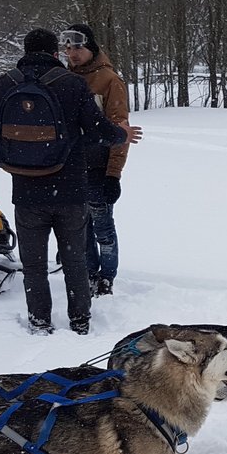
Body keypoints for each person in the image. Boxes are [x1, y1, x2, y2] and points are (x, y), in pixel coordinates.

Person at [0, 28, 141, 335]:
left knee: (35, 264)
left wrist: (11, 165)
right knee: (75, 260)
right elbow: (97, 129)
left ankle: (40, 321)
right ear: (56, 52)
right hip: (70, 188)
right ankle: (80, 321)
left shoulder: (3, 84)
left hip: (26, 192)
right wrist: (121, 135)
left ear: (24, 51)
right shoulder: (71, 84)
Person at [63, 24, 130, 297]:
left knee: (103, 228)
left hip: (98, 168)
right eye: (67, 48)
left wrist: (113, 173)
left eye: (78, 47)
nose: (72, 53)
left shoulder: (109, 81)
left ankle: (107, 277)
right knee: (80, 230)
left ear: (91, 48)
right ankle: (89, 273)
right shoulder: (64, 79)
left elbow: (121, 130)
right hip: (70, 168)